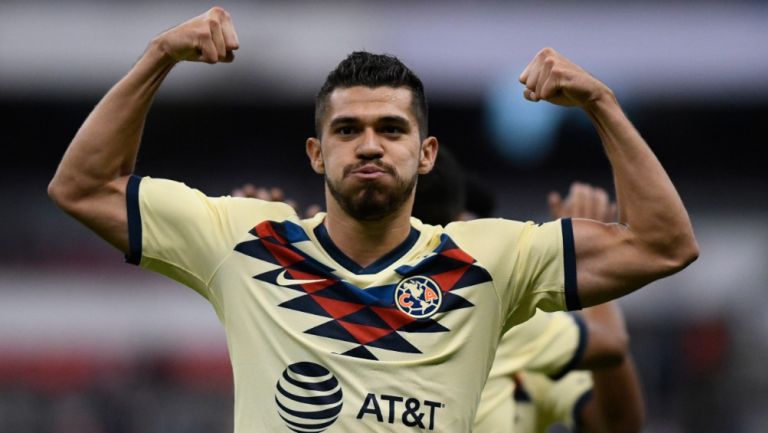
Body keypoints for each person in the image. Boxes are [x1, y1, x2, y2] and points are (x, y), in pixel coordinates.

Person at [47, 7, 698, 432]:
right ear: (316, 152)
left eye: (391, 128)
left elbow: (664, 244)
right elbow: (84, 187)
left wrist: (600, 102)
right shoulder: (246, 238)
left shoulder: (490, 259)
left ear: (425, 153)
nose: (368, 144)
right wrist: (159, 55)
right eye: (347, 128)